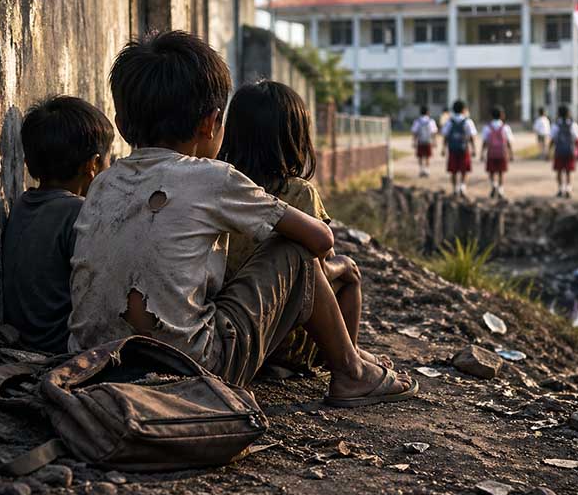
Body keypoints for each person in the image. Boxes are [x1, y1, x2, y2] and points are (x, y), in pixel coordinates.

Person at [69, 31, 417, 408]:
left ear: (120, 124)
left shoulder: (103, 182)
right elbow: (321, 241)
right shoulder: (213, 176)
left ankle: (352, 365)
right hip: (190, 368)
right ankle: (351, 372)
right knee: (294, 249)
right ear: (212, 123)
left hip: (93, 363)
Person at [219, 80, 391, 371]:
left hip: (232, 325)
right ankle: (349, 355)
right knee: (348, 272)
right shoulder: (297, 193)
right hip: (283, 336)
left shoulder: (221, 185)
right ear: (294, 138)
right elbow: (315, 271)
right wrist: (343, 267)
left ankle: (351, 353)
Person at [2, 96, 114, 353]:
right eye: (107, 161)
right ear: (93, 165)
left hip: (26, 342)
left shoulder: (22, 204)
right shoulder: (79, 213)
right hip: (58, 348)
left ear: (29, 163)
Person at [440, 100, 478, 197]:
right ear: (464, 110)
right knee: (464, 169)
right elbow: (472, 136)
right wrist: (473, 148)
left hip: (452, 149)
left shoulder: (449, 122)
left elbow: (445, 136)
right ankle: (462, 186)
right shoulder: (468, 121)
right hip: (464, 148)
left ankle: (455, 188)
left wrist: (443, 148)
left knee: (453, 169)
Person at [480, 106, 514, 199]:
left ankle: (493, 185)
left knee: (491, 171)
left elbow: (485, 142)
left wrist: (482, 153)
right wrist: (511, 153)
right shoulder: (505, 127)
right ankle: (501, 189)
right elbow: (509, 142)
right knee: (501, 172)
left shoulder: (487, 127)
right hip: (502, 153)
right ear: (502, 115)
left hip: (491, 153)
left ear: (491, 115)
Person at [549, 105, 578, 198]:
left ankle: (560, 189)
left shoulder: (555, 125)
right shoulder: (573, 124)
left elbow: (552, 139)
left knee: (559, 171)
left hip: (559, 151)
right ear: (569, 113)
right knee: (568, 171)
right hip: (570, 151)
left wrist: (549, 151)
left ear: (558, 114)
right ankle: (568, 188)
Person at [410, 105, 437, 177]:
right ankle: (427, 170)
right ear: (428, 112)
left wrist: (414, 141)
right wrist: (434, 141)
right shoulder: (431, 121)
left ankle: (421, 169)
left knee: (420, 156)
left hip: (420, 141)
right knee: (428, 156)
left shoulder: (417, 121)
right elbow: (433, 132)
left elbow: (414, 132)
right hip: (428, 141)